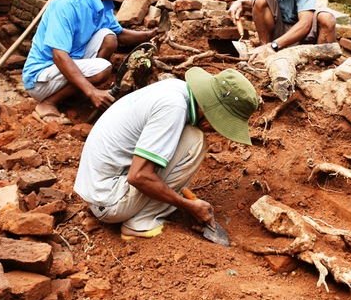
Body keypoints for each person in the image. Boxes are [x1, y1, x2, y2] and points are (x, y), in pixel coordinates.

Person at [73, 67, 259, 239]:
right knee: (195, 140)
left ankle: (143, 208)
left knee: (189, 136)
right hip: (109, 201)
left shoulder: (177, 89)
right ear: (213, 110)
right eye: (222, 122)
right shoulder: (173, 108)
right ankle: (140, 223)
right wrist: (187, 206)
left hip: (98, 187)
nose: (217, 129)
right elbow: (139, 176)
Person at [22, 0, 157, 124]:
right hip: (41, 77)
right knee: (103, 68)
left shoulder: (103, 4)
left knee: (109, 36)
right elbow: (59, 55)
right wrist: (92, 91)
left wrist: (151, 34)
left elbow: (120, 35)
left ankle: (75, 92)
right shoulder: (67, 4)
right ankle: (48, 103)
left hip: (68, 66)